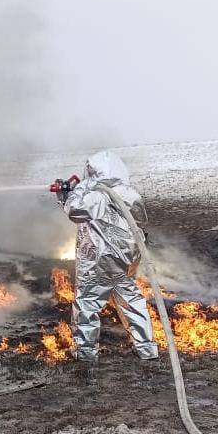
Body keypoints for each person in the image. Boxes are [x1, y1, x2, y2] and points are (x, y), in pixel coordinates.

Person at [56, 150, 159, 362]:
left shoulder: (96, 195)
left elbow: (74, 211)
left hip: (98, 262)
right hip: (126, 260)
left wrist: (74, 191)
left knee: (87, 303)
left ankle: (85, 353)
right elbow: (140, 219)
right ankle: (147, 349)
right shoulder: (129, 193)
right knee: (132, 301)